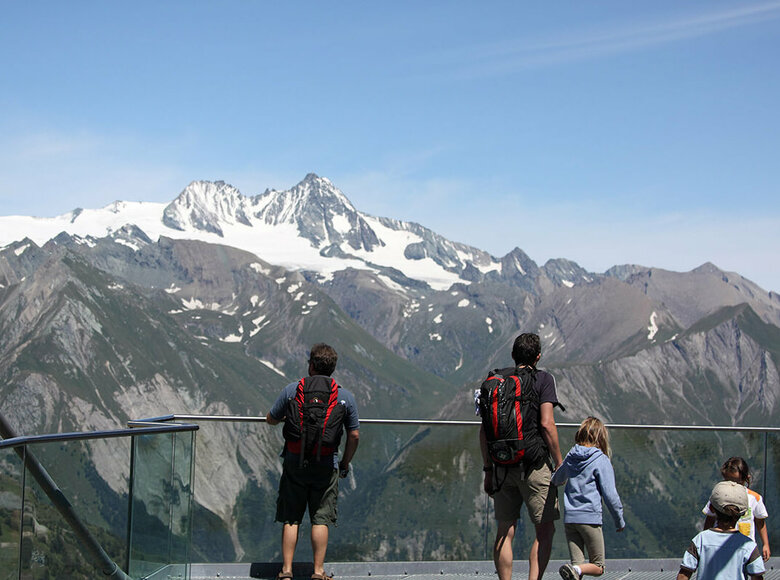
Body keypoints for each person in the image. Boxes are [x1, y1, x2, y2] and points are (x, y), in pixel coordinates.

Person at [266, 343, 360, 580]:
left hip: (294, 461)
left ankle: (286, 570)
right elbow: (354, 435)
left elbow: (271, 419)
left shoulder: (292, 390)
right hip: (327, 463)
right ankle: (318, 572)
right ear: (333, 369)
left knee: (291, 516)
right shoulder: (345, 396)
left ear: (311, 365)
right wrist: (345, 463)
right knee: (320, 518)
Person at [479, 332, 564, 580]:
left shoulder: (496, 381)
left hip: (501, 465)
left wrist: (488, 470)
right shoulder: (544, 380)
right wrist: (560, 464)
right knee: (545, 529)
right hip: (534, 464)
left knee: (505, 530)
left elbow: (484, 431)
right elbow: (547, 424)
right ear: (538, 357)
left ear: (513, 356)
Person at [551, 417, 625, 580]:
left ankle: (575, 569)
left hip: (570, 520)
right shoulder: (601, 460)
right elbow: (610, 495)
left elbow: (556, 479)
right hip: (590, 519)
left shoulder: (571, 456)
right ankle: (576, 569)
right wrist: (619, 520)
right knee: (598, 567)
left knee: (576, 571)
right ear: (601, 437)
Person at [678, 480, 765, 580]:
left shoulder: (700, 540)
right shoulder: (748, 545)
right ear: (743, 512)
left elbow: (683, 575)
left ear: (712, 508)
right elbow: (757, 577)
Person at [702, 457, 770, 561]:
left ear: (746, 479)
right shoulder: (718, 497)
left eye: (736, 482)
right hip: (721, 546)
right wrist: (705, 542)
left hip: (745, 547)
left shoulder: (754, 498)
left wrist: (765, 544)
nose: (732, 485)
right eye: (728, 481)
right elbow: (710, 519)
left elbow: (760, 522)